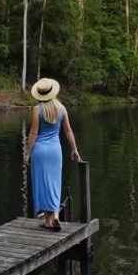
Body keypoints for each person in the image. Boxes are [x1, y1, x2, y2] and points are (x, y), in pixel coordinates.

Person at [24, 78, 82, 231]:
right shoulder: (61, 108)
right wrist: (74, 149)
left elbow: (34, 132)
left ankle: (48, 219)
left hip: (40, 151)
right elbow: (68, 130)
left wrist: (27, 153)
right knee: (55, 183)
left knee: (42, 183)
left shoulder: (37, 110)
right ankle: (54, 216)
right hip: (55, 151)